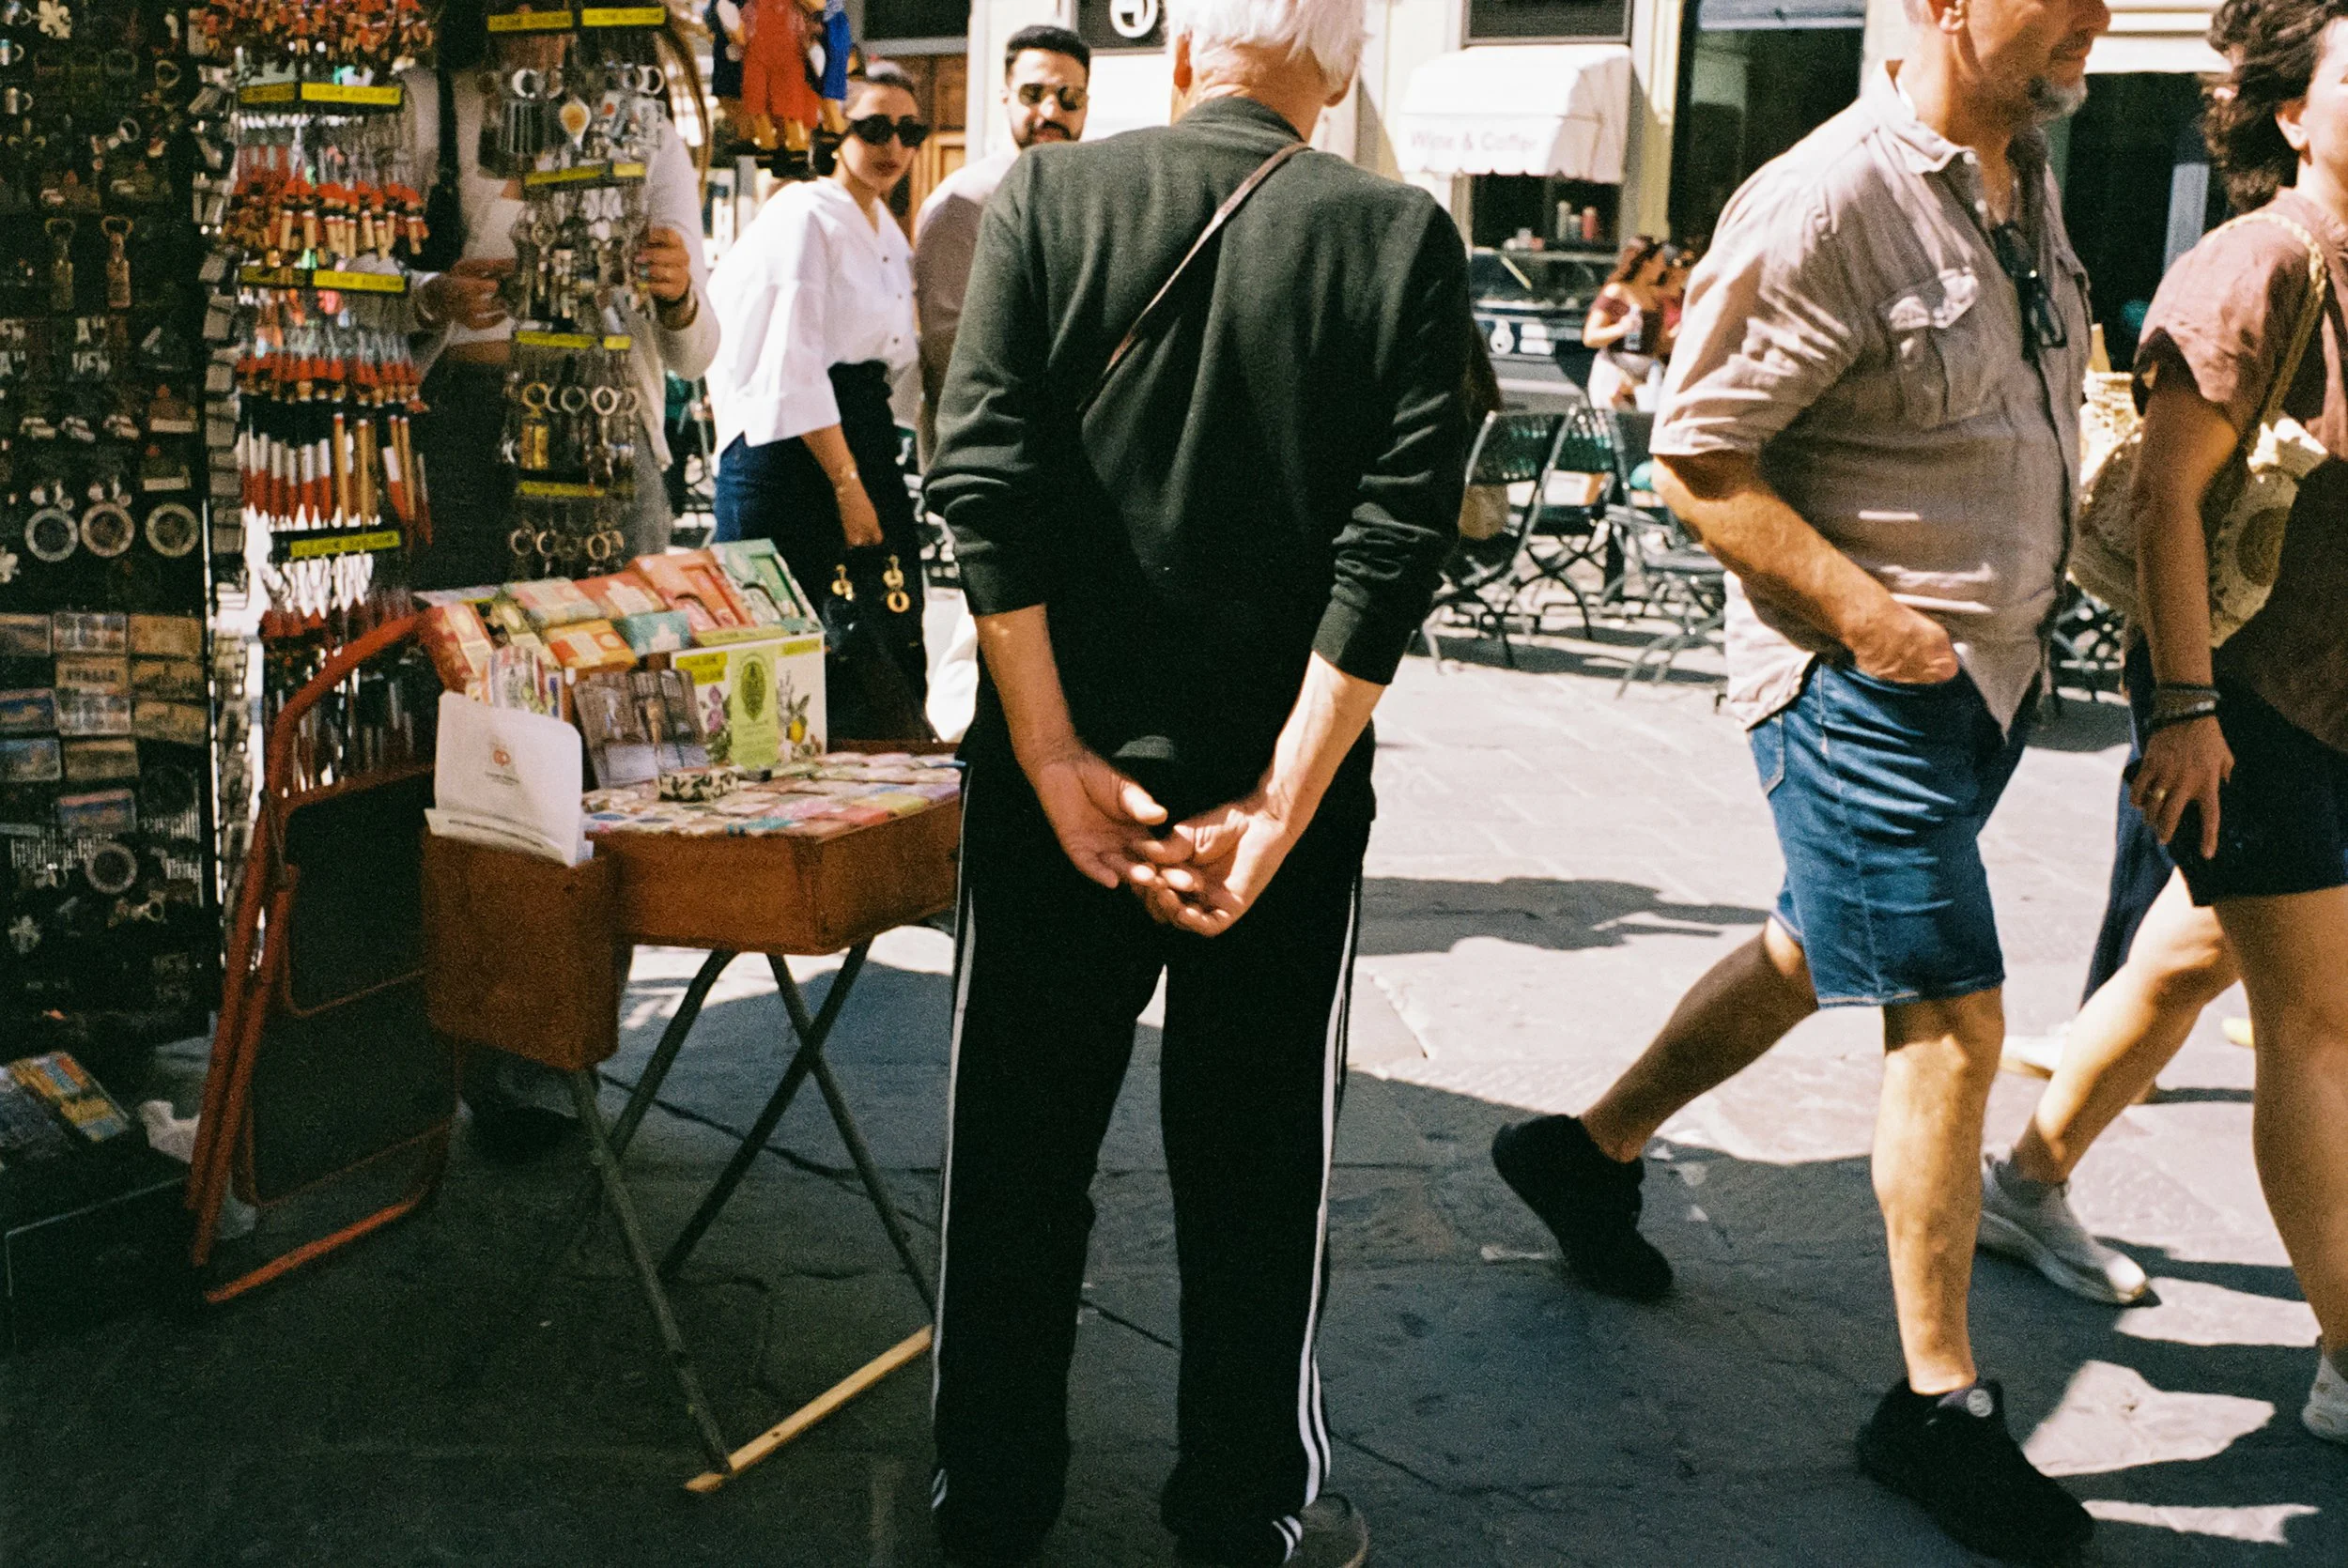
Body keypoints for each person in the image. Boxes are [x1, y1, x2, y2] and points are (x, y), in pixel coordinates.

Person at [1488, 0, 2111, 1556]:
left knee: (1813, 947)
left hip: (1988, 684)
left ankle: (1585, 1153)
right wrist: (1873, 620)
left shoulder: (2024, 179)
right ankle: (1938, 1405)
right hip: (1861, 683)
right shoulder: (1830, 193)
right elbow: (1698, 456)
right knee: (1953, 1008)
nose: (2099, 14)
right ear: (1950, 7)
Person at [921, 0, 1469, 1554]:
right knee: (1257, 1173)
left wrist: (1047, 751)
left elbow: (984, 485)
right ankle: (1243, 1511)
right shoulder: (1398, 239)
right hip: (1269, 819)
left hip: (1056, 800)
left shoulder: (1044, 200)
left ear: (1180, 53)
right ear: (1345, 67)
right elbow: (1395, 543)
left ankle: (993, 1493)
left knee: (1015, 1157)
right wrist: (1282, 803)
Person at [2116, 0, 2348, 1444]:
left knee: (2198, 956)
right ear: (2293, 114)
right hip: (2252, 699)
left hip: (2331, 693)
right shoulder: (2253, 265)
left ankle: (2030, 1171)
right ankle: (2346, 1351)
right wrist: (2189, 711)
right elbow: (2163, 503)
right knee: (2316, 1025)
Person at [401, 1, 716, 594]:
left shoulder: (640, 128)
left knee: (610, 658)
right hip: (458, 434)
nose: (527, 17)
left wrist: (678, 299)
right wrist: (430, 296)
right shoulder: (425, 106)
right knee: (455, 650)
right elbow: (347, 273)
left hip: (605, 426)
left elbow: (695, 356)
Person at [705, 63, 931, 711]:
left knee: (880, 643)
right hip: (794, 454)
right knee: (786, 667)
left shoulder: (886, 230)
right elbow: (792, 360)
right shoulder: (804, 212)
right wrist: (847, 484)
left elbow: (897, 367)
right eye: (875, 128)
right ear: (838, 131)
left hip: (859, 441)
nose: (894, 147)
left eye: (909, 131)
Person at [913, 24, 1091, 454]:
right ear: (1006, 97)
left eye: (1070, 97)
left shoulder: (1091, 197)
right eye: (1034, 93)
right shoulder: (964, 202)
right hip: (991, 455)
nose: (1051, 111)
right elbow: (947, 351)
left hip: (1072, 454)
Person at [1579, 237, 1667, 409]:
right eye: (1660, 261)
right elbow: (1590, 337)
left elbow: (1660, 343)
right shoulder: (1616, 292)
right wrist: (1620, 329)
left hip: (1644, 381)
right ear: (1646, 263)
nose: (1663, 267)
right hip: (1615, 376)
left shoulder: (1655, 297)